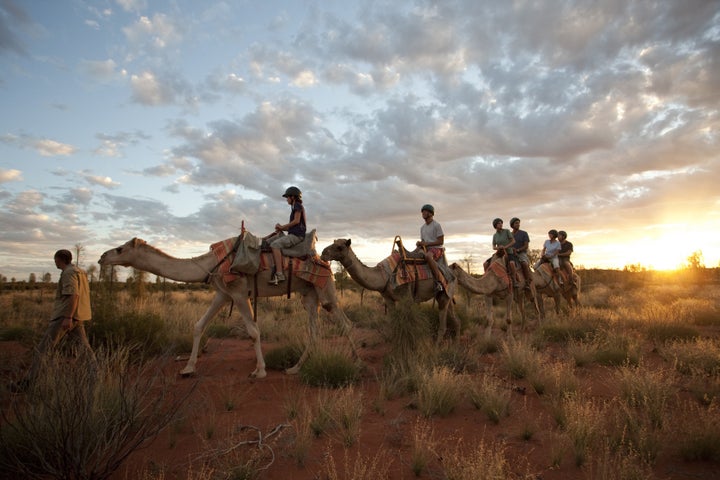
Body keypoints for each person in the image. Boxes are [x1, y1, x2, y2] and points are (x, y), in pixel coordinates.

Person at [11, 249, 94, 392]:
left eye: (55, 259)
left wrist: (67, 317)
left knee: (43, 349)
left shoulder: (69, 273)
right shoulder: (80, 271)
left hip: (65, 317)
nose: (54, 262)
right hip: (77, 316)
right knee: (85, 350)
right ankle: (95, 376)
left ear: (60, 259)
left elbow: (73, 295)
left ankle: (30, 383)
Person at [265, 186, 306, 285]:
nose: (286, 199)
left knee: (275, 245)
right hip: (294, 233)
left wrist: (282, 227)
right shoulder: (294, 207)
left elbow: (296, 221)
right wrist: (281, 229)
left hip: (297, 236)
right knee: (272, 239)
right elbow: (293, 226)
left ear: (293, 197)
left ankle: (280, 274)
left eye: (287, 197)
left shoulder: (297, 206)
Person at [414, 204, 446, 293]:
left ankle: (438, 282)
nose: (423, 213)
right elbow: (423, 241)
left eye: (425, 211)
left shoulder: (437, 225)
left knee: (428, 256)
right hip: (426, 248)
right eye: (422, 212)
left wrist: (426, 244)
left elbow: (441, 241)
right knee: (413, 255)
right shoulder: (422, 228)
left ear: (431, 213)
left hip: (437, 248)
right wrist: (419, 244)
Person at [491, 218, 519, 287]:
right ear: (495, 225)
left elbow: (513, 241)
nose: (501, 224)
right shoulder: (495, 235)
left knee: (512, 263)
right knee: (487, 263)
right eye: (499, 223)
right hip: (499, 253)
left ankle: (514, 280)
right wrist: (499, 248)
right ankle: (490, 279)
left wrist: (505, 247)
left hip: (509, 252)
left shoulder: (506, 231)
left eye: (501, 223)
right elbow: (493, 247)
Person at [510, 217, 532, 289]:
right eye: (516, 223)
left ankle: (527, 281)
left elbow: (526, 246)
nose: (518, 224)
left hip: (521, 253)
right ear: (512, 224)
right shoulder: (509, 234)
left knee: (524, 263)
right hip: (511, 253)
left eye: (519, 223)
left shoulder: (524, 233)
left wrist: (518, 250)